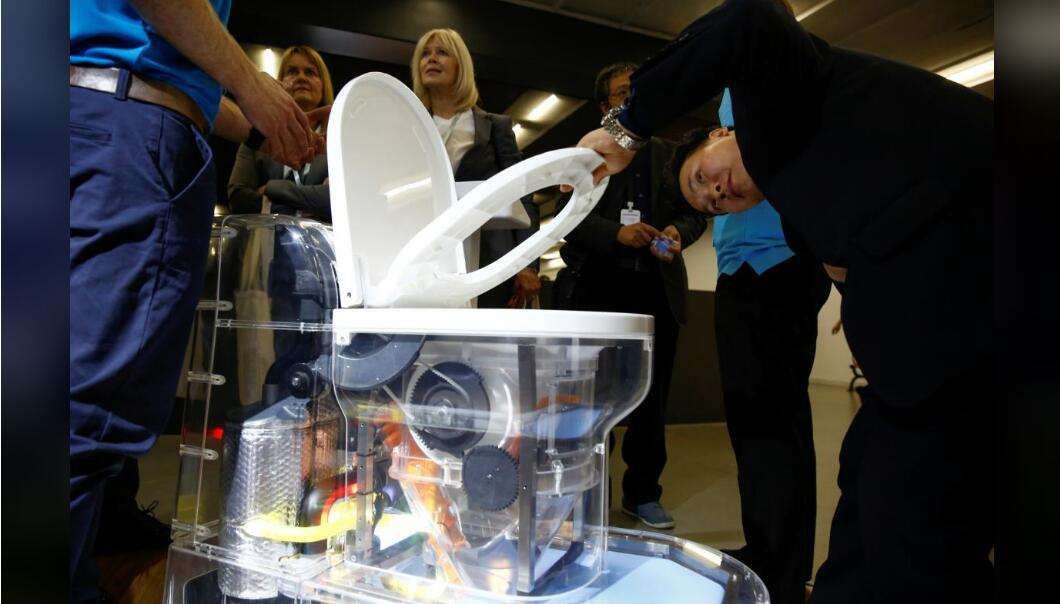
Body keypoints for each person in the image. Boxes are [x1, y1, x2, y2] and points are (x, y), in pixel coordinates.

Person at [572, 1, 993, 602]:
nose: (717, 192)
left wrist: (628, 126)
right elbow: (853, 264)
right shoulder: (805, 213)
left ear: (719, 133)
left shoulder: (776, 101)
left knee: (907, 494)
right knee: (881, 475)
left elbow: (753, 19)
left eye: (702, 177)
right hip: (954, 325)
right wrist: (867, 312)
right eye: (712, 204)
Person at [70, 1, 324, 601]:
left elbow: (189, 76)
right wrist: (250, 83)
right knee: (92, 404)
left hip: (88, 114)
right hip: (132, 130)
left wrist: (262, 118)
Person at [556, 62, 709, 529]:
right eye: (623, 94)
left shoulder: (670, 154)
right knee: (591, 398)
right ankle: (586, 492)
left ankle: (643, 493)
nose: (632, 100)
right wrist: (614, 235)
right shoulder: (586, 156)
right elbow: (567, 218)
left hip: (656, 290)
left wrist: (677, 232)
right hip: (597, 291)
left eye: (637, 92)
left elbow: (696, 211)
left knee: (651, 400)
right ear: (605, 107)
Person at [702, 85, 831, 604]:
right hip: (740, 262)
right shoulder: (734, 89)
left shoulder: (780, 72)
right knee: (752, 426)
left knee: (775, 425)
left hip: (775, 260)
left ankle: (782, 570)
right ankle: (766, 550)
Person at [411, 28, 540, 309]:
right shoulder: (408, 125)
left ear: (461, 65)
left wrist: (527, 264)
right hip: (424, 253)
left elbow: (522, 194)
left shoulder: (495, 126)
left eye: (442, 52)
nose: (431, 59)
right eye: (425, 54)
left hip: (488, 256)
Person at [228, 45, 334, 220]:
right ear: (280, 83)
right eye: (292, 72)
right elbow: (237, 198)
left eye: (310, 72)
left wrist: (272, 188)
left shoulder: (339, 141)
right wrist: (309, 201)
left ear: (323, 86)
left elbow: (336, 199)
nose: (301, 77)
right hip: (264, 237)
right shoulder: (257, 134)